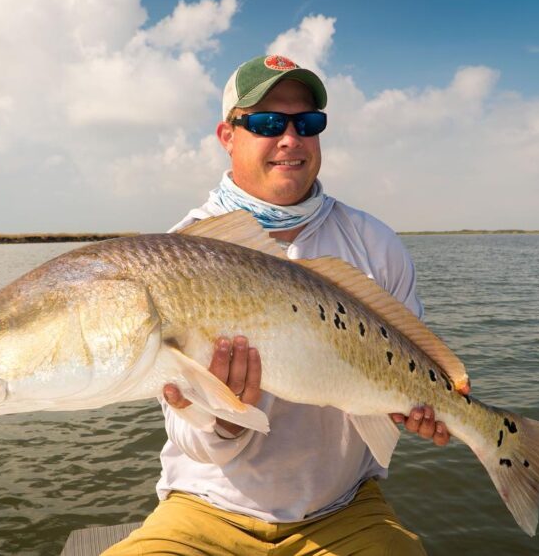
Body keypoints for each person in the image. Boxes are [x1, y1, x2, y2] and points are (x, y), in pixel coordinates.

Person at [103, 55, 453, 556]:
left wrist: (419, 407)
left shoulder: (374, 244)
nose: (290, 138)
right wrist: (224, 416)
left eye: (307, 123)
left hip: (346, 509)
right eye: (267, 123)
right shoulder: (177, 252)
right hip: (205, 506)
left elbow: (413, 363)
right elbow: (190, 437)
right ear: (228, 136)